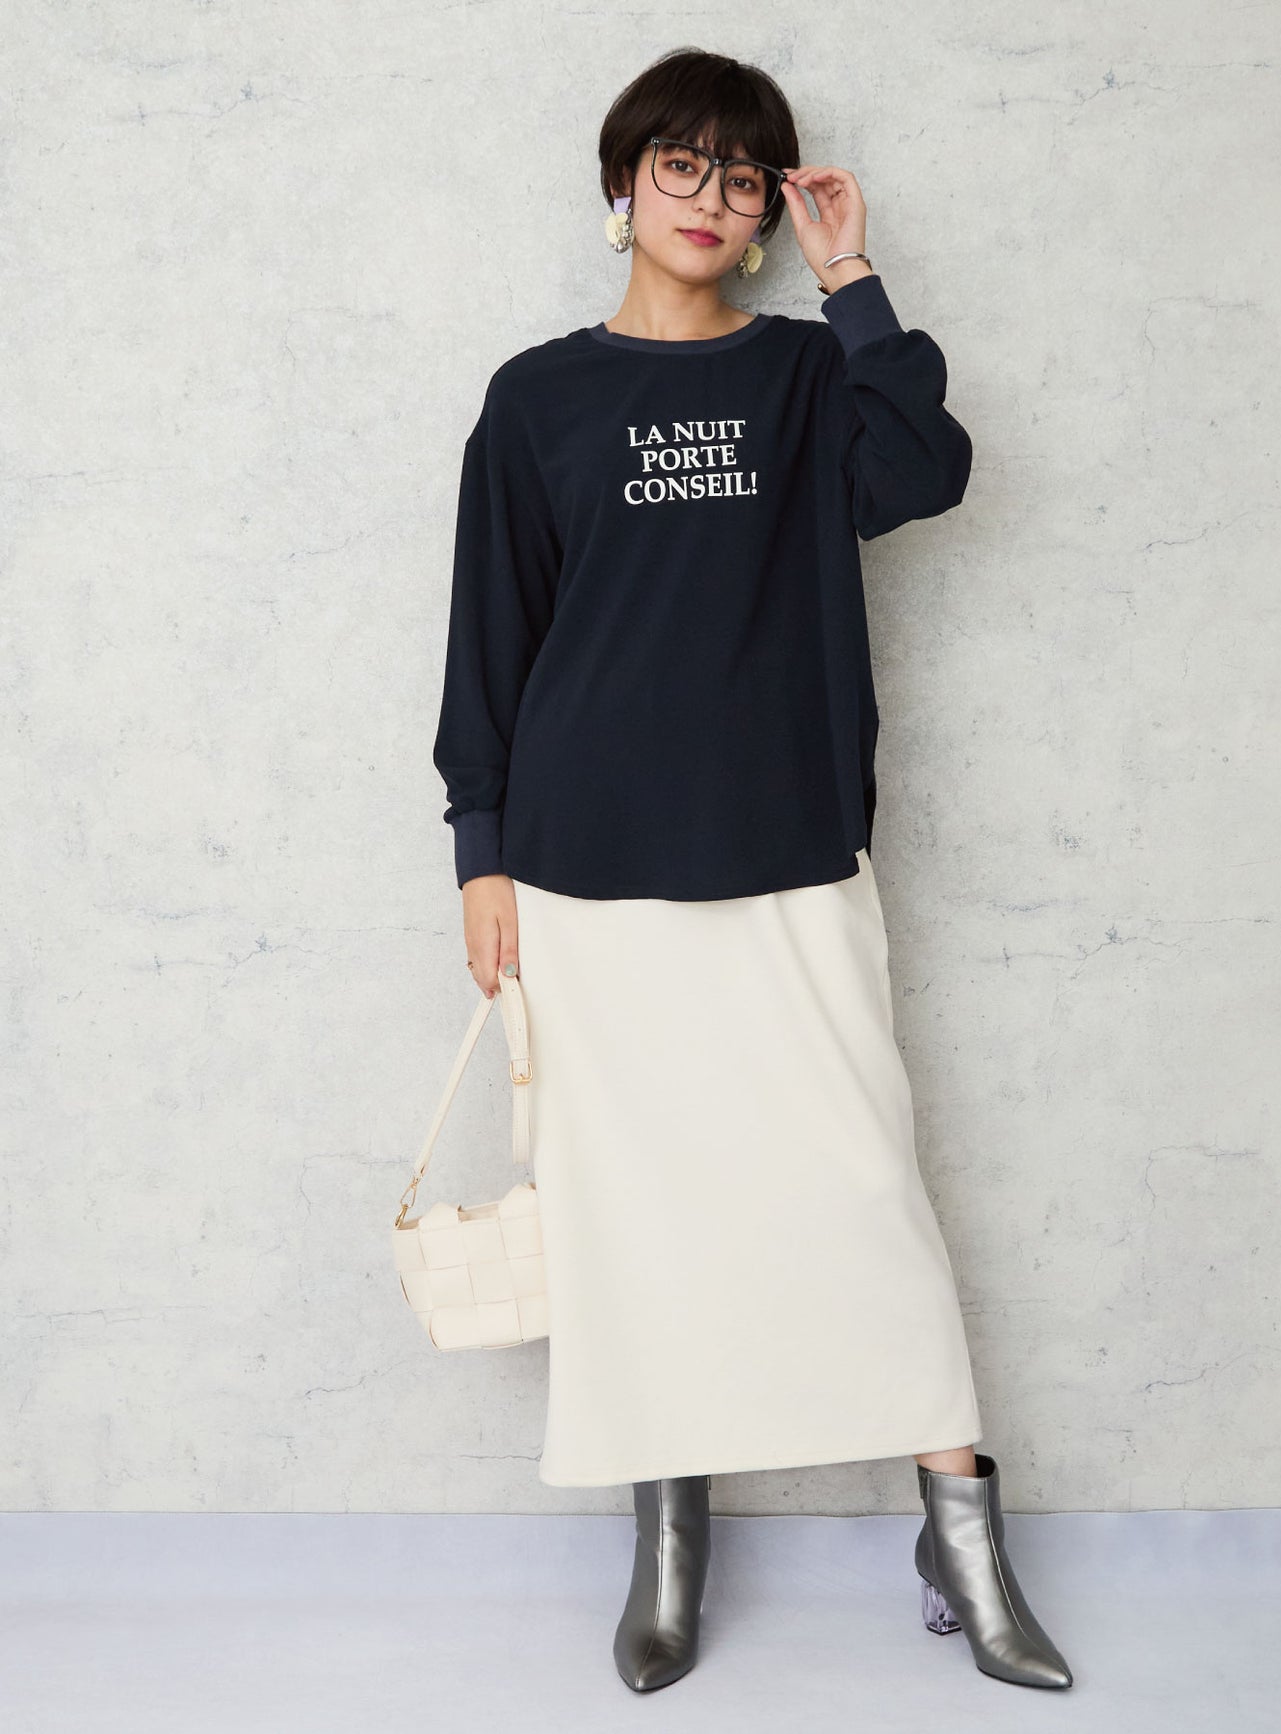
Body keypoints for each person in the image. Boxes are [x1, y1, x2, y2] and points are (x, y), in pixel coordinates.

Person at [432, 46, 1074, 1696]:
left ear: (768, 211)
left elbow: (924, 472)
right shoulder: (536, 399)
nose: (710, 200)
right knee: (633, 1213)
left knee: (861, 1186)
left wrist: (853, 277)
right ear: (619, 188)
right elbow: (490, 639)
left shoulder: (801, 372)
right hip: (583, 867)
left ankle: (960, 1534)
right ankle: (668, 1547)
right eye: (680, 165)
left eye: (741, 177)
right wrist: (481, 853)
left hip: (787, 842)